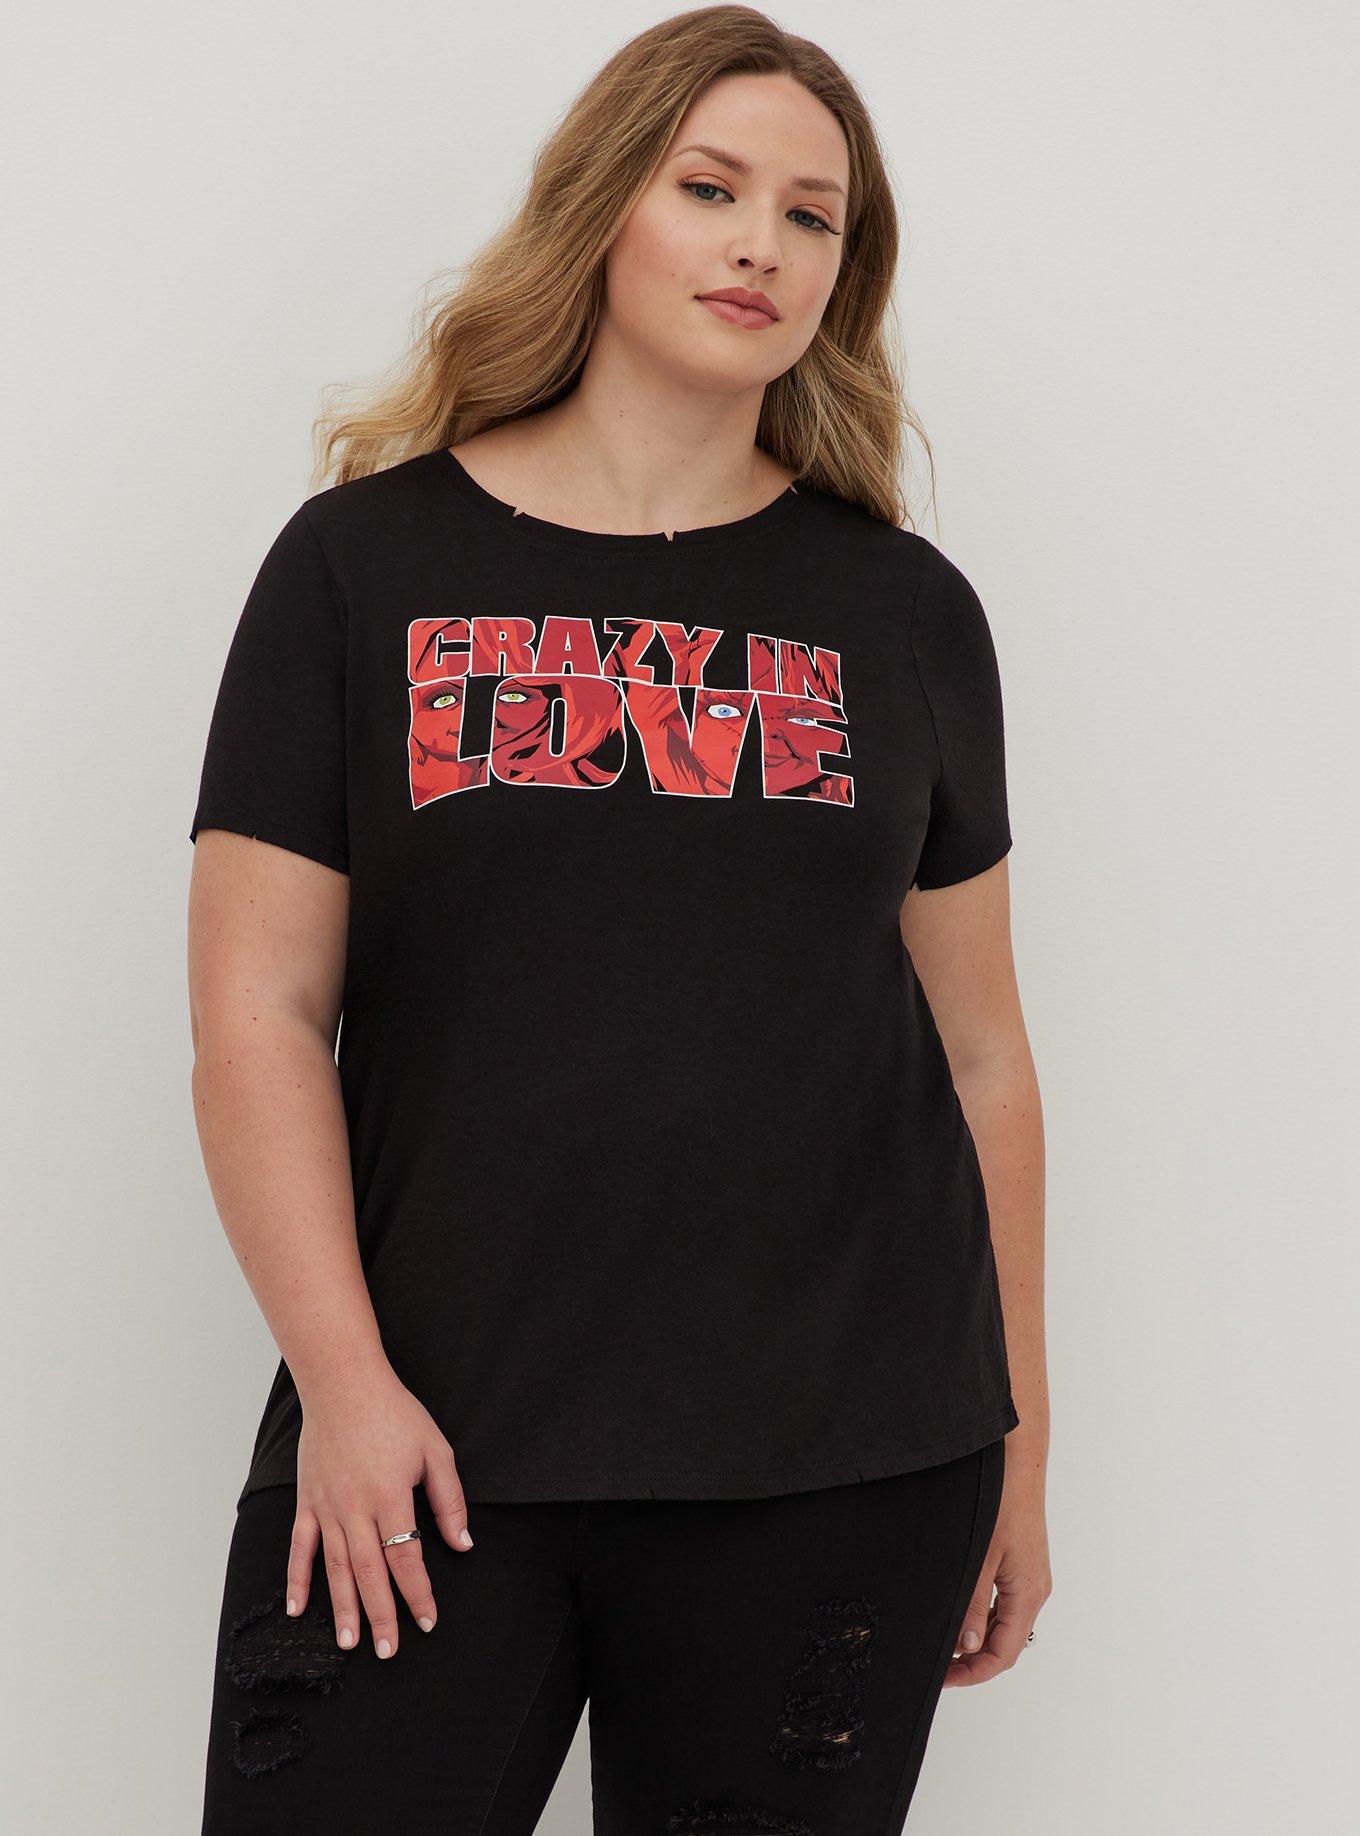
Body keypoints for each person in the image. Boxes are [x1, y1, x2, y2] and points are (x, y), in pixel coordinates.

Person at [187, 8, 1051, 1830]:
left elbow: (980, 1053)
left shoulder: (903, 613)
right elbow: (257, 1015)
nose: (762, 245)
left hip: (844, 1461)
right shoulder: (362, 567)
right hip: (426, 1448)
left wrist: (1020, 1459)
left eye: (811, 217)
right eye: (711, 188)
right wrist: (343, 1386)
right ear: (603, 207)